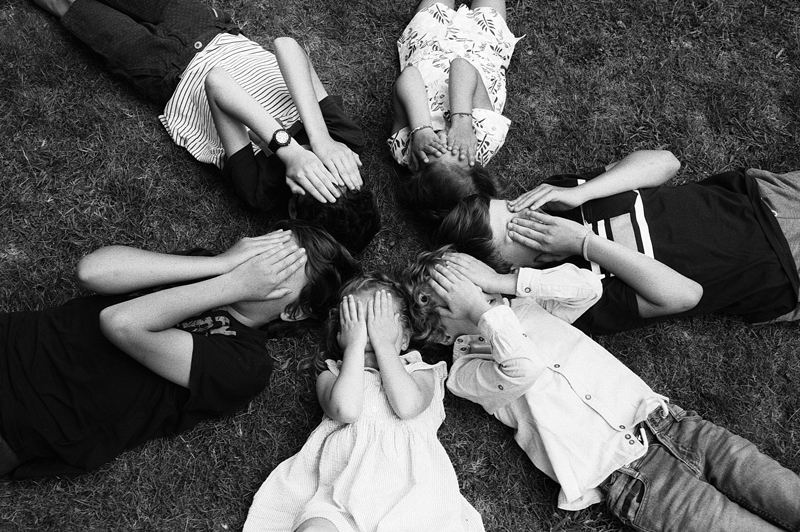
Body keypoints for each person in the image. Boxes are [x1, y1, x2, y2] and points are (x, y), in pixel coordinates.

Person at [402, 247, 800, 532]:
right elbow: (523, 367)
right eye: (462, 300)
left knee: (784, 491)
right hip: (634, 479)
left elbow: (587, 286)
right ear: (439, 331)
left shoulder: (527, 308)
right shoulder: (465, 372)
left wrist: (501, 282)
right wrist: (483, 312)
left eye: (478, 288)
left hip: (676, 426)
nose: (483, 299)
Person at [0, 220, 360, 479]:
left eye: (278, 270)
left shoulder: (247, 363)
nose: (257, 266)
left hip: (28, 417)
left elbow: (121, 323)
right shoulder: (205, 267)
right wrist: (218, 265)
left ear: (293, 310)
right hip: (14, 337)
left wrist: (233, 284)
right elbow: (92, 271)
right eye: (266, 251)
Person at [31, 0, 380, 255]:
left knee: (68, 7)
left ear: (293, 209)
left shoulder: (261, 190)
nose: (319, 168)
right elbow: (286, 46)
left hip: (164, 71)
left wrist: (288, 152)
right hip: (206, 28)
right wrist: (319, 139)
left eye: (314, 180)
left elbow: (218, 83)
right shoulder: (342, 140)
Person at [434, 149, 800, 333]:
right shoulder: (573, 296)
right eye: (516, 230)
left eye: (514, 208)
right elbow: (686, 295)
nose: (529, 215)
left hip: (766, 194)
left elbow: (665, 163)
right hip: (783, 267)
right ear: (517, 267)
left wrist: (583, 192)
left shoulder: (560, 199)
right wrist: (584, 244)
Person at [243, 274, 484, 532]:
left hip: (413, 498)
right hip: (339, 496)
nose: (369, 333)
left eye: (379, 323)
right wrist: (354, 347)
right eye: (356, 323)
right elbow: (346, 410)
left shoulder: (421, 372)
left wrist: (384, 347)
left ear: (404, 339)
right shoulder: (332, 375)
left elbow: (407, 406)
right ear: (341, 336)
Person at [387, 0, 520, 222]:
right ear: (474, 162)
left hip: (428, 42)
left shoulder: (406, 149)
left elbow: (409, 76)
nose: (443, 137)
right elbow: (462, 65)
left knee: (434, 7)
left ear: (416, 164)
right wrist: (462, 123)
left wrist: (421, 129)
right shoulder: (484, 138)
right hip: (483, 45)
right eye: (453, 146)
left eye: (434, 148)